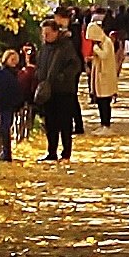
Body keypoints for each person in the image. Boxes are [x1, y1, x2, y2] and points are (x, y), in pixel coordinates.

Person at [33, 15, 86, 160]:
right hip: (48, 91)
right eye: (44, 34)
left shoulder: (66, 46)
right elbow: (40, 65)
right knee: (50, 124)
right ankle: (51, 152)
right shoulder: (44, 48)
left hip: (64, 91)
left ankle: (66, 152)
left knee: (64, 123)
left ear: (56, 32)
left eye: (48, 33)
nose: (46, 36)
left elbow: (75, 65)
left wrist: (63, 76)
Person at [85, 9, 122, 127]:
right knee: (100, 102)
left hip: (105, 75)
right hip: (100, 75)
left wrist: (95, 50)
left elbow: (105, 55)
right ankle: (103, 124)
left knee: (105, 102)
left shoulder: (106, 42)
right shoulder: (102, 43)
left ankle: (106, 124)